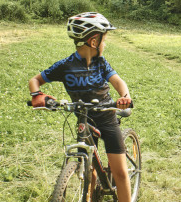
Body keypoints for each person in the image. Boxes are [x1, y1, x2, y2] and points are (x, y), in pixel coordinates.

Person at [28, 12, 133, 202]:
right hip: (84, 119)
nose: (105, 44)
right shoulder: (65, 65)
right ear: (94, 41)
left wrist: (124, 96)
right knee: (89, 169)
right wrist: (37, 95)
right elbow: (35, 80)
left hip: (107, 116)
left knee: (120, 172)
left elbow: (118, 82)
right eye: (104, 39)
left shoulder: (101, 64)